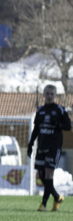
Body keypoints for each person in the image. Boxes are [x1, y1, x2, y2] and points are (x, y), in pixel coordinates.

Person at [28, 84, 71, 212]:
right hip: (41, 145)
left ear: (55, 95)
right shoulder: (40, 110)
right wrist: (30, 144)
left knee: (48, 173)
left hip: (54, 146)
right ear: (44, 94)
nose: (49, 96)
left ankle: (44, 204)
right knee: (41, 175)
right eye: (47, 93)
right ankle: (57, 197)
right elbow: (36, 129)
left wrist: (57, 124)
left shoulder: (60, 110)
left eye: (52, 94)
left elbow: (68, 126)